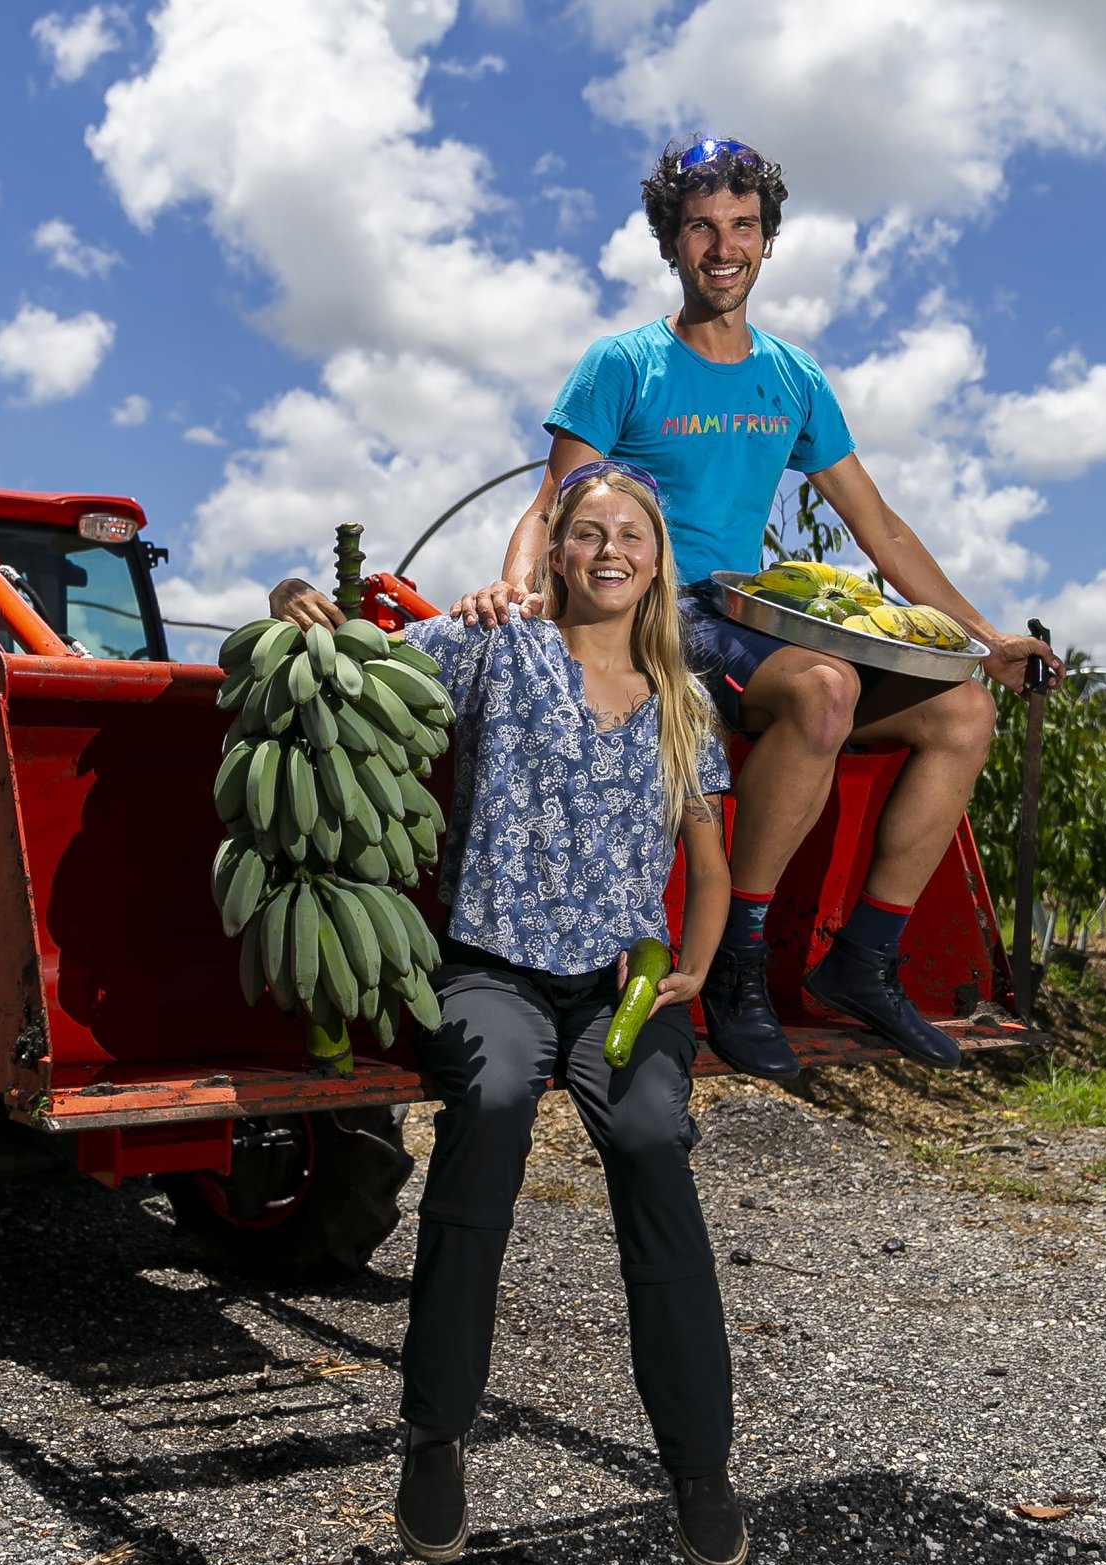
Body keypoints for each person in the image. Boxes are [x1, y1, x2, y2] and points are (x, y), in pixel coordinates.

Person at [455, 135, 1064, 1081]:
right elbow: (552, 507)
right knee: (823, 687)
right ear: (670, 243)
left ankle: (863, 957)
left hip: (746, 616)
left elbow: (880, 528)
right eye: (700, 226)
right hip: (656, 616)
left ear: (769, 242)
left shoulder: (793, 377)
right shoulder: (624, 363)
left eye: (744, 225)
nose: (723, 245)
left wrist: (986, 639)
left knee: (965, 711)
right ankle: (741, 962)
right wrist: (524, 593)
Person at [269, 465, 747, 1565]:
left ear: (655, 559)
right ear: (556, 551)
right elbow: (355, 667)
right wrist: (298, 589)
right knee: (485, 1107)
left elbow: (711, 862)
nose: (610, 549)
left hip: (622, 981)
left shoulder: (686, 700)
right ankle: (434, 1436)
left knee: (647, 1142)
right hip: (493, 964)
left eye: (630, 533)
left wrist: (695, 968)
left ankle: (700, 1466)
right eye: (587, 532)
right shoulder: (496, 643)